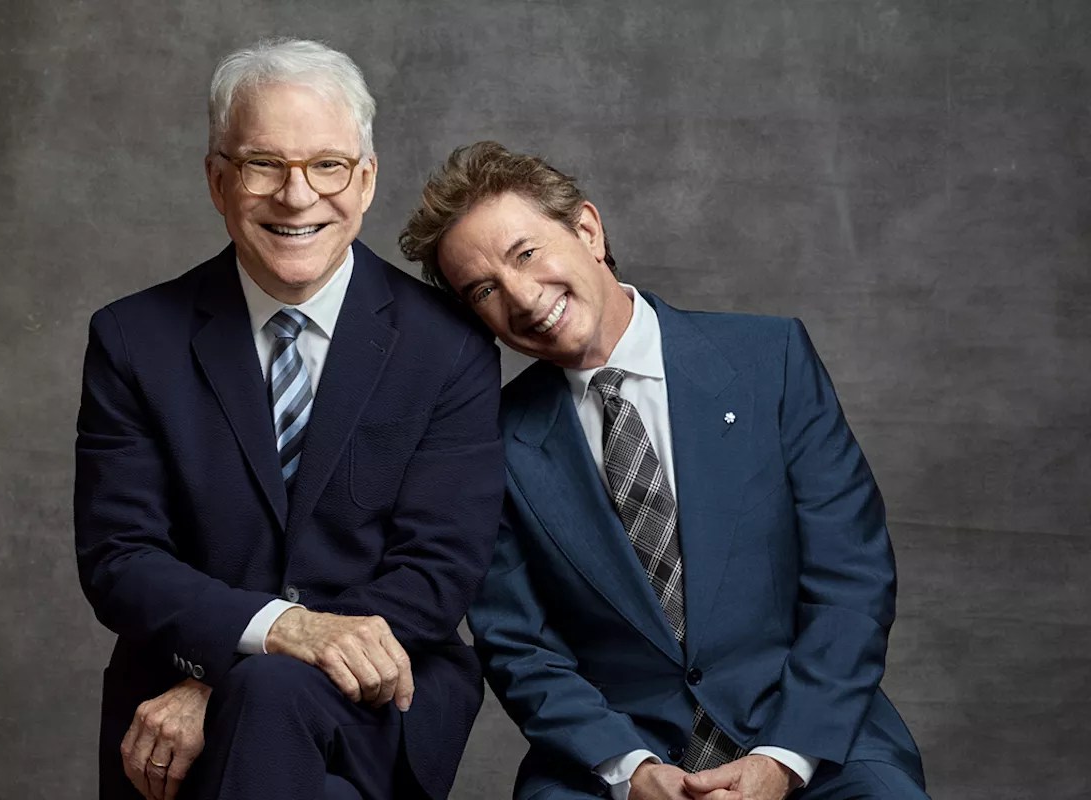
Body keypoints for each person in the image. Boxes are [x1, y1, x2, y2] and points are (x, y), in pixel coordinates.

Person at [399, 141, 927, 800]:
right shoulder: (492, 443)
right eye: (484, 290)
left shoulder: (770, 360)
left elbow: (853, 579)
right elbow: (519, 646)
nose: (524, 299)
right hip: (617, 760)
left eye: (526, 254)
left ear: (587, 230)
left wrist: (781, 760)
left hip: (811, 739)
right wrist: (630, 770)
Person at [74, 40, 503, 800]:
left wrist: (232, 677)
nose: (297, 196)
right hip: (171, 705)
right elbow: (121, 560)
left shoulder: (448, 346)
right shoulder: (134, 339)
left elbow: (438, 572)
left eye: (328, 165)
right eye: (263, 164)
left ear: (366, 181)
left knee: (267, 701)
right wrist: (277, 633)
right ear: (217, 180)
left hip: (381, 696)